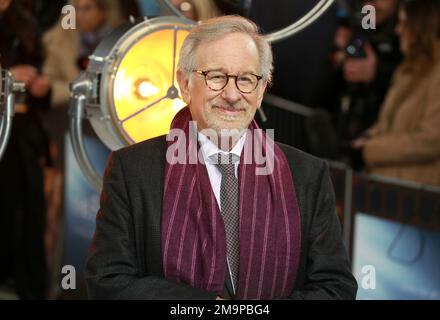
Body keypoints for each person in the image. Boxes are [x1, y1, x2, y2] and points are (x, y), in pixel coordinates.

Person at [85, 15, 357, 300]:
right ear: (185, 83)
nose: (231, 94)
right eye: (216, 76)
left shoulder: (307, 175)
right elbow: (107, 282)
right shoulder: (132, 170)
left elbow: (336, 288)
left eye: (246, 79)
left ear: (262, 90)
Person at [352, 0, 440, 186]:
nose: (398, 30)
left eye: (403, 23)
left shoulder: (436, 74)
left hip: (416, 195)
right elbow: (387, 124)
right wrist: (366, 139)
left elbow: (431, 140)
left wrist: (368, 151)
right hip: (384, 184)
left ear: (419, 28)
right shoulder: (406, 70)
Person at [0, 0, 52, 299]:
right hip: (5, 129)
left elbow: (42, 69)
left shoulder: (27, 19)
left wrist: (40, 86)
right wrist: (8, 75)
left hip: (24, 129)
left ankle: (27, 282)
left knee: (30, 208)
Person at [331, 0, 402, 147]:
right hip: (344, 122)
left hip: (385, 137)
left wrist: (377, 73)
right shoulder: (360, 21)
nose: (373, 3)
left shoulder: (406, 30)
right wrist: (340, 56)